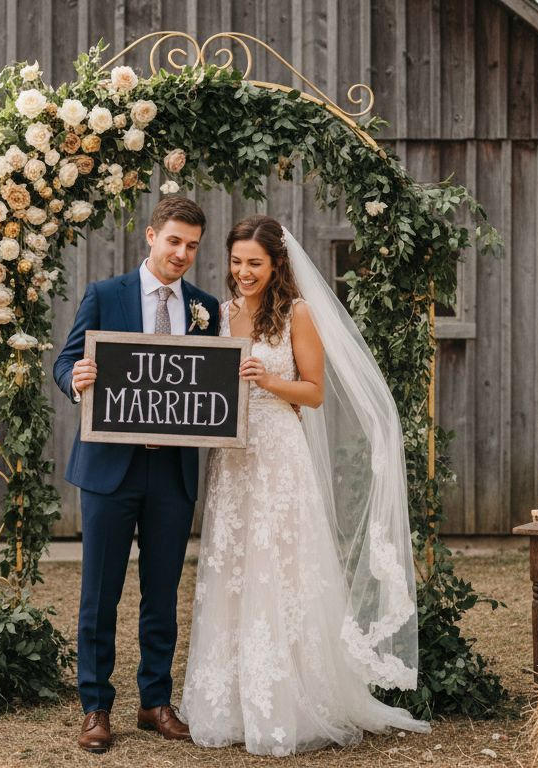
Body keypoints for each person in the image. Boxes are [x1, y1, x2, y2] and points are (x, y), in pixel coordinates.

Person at [179, 216, 428, 755]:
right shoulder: (219, 314)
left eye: (255, 263)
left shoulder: (298, 313)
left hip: (278, 455)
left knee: (281, 569)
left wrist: (267, 380)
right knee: (234, 570)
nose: (244, 272)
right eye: (237, 262)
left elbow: (313, 393)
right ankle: (232, 701)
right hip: (233, 460)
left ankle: (288, 701)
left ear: (277, 265)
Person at [53, 197, 221, 753]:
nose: (182, 253)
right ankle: (95, 707)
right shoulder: (106, 295)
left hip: (173, 472)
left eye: (192, 246)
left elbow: (212, 381)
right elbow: (64, 361)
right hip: (110, 469)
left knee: (162, 592)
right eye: (174, 241)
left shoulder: (204, 308)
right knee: (99, 594)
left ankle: (155, 701)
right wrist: (76, 378)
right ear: (151, 236)